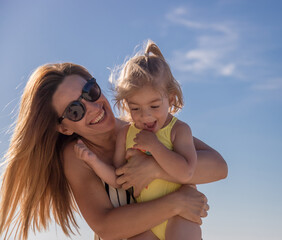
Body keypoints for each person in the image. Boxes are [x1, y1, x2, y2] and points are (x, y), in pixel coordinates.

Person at [0, 62, 228, 240]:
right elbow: (106, 226)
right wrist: (176, 203)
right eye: (75, 110)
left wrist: (154, 169)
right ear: (64, 127)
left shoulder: (141, 126)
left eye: (90, 91)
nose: (93, 107)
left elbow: (218, 166)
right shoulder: (78, 155)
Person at [74, 40, 202, 240]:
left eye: (154, 106)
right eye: (135, 108)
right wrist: (93, 161)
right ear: (126, 105)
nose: (145, 116)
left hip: (180, 216)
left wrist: (154, 147)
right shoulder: (126, 134)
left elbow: (187, 172)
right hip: (147, 219)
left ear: (172, 98)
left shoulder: (178, 130)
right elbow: (119, 178)